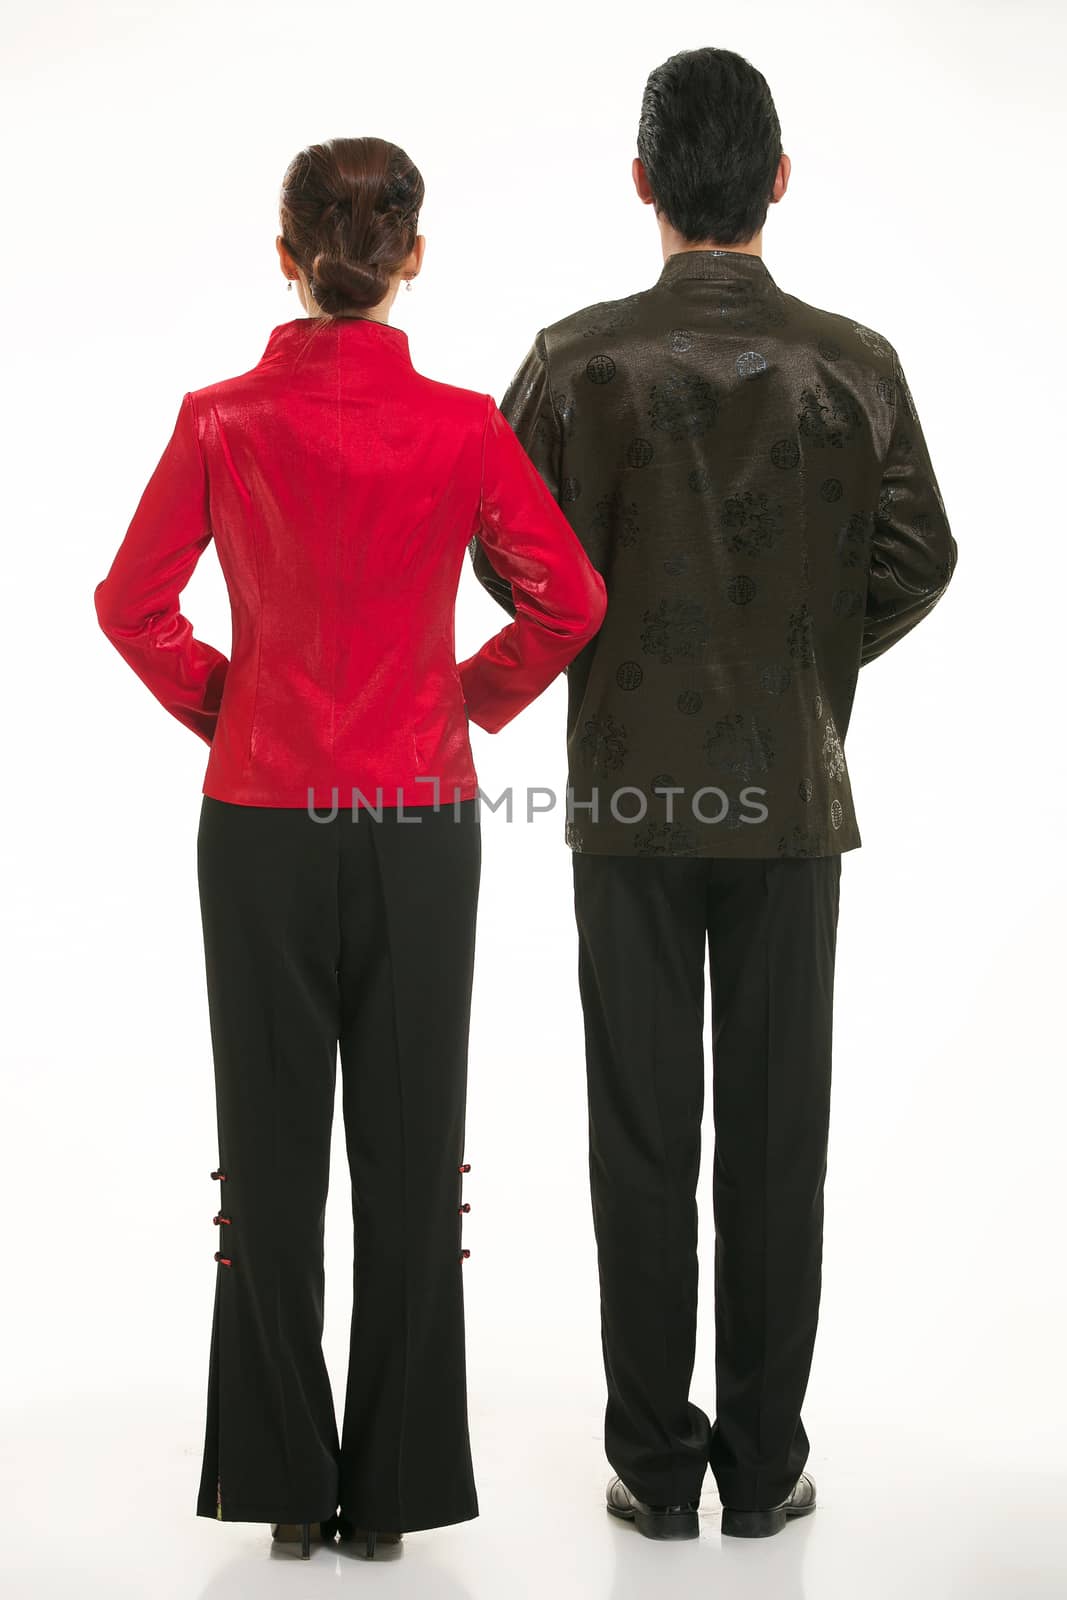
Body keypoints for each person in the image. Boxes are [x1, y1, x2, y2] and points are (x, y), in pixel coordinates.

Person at [94, 135, 606, 1560]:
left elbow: (130, 603)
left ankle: (276, 1489)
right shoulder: (459, 429)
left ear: (286, 257)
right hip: (423, 820)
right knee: (409, 1149)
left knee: (264, 1157)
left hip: (258, 821)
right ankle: (392, 1496)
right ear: (413, 260)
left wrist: (234, 709)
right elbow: (569, 598)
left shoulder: (220, 419)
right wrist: (463, 698)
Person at [471, 48, 957, 1541]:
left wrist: (612, 643)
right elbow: (920, 556)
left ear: (643, 184)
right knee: (775, 1132)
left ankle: (650, 1468)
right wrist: (806, 658)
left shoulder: (574, 359)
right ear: (780, 181)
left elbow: (510, 554)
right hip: (790, 801)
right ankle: (764, 1467)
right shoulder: (855, 363)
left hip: (627, 798)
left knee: (639, 1130)